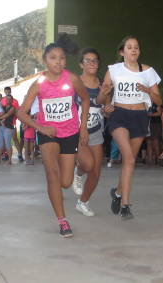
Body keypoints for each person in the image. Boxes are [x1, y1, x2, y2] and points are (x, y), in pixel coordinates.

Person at [17, 39, 90, 238]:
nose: (58, 62)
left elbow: (84, 99)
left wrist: (83, 126)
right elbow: (21, 113)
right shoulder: (39, 84)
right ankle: (62, 221)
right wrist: (41, 127)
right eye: (53, 58)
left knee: (65, 182)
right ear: (45, 61)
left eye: (62, 58)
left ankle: (69, 179)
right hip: (47, 134)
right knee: (52, 174)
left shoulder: (72, 79)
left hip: (70, 133)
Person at [97, 36, 162, 220]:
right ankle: (125, 205)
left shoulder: (148, 71)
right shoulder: (114, 70)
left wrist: (149, 91)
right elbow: (101, 100)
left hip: (140, 117)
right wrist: (105, 93)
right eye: (129, 47)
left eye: (136, 47)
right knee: (130, 159)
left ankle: (117, 193)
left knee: (129, 161)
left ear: (139, 51)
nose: (133, 50)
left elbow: (159, 101)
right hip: (119, 115)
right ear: (122, 52)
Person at [72, 48, 112, 217]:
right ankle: (78, 172)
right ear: (81, 64)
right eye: (87, 60)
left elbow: (106, 109)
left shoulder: (104, 84)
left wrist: (107, 110)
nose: (92, 63)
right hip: (76, 131)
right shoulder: (75, 83)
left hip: (95, 130)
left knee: (96, 171)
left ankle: (83, 202)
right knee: (88, 165)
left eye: (95, 60)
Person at [0, 94, 17, 165]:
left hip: (8, 127)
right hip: (0, 127)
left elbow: (7, 115)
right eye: (7, 99)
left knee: (8, 143)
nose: (8, 100)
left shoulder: (13, 108)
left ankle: (10, 159)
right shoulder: (3, 107)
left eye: (9, 99)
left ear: (12, 100)